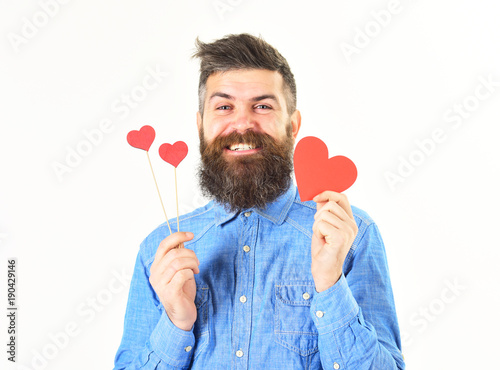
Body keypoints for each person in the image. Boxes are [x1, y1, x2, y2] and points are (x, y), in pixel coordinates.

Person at [114, 33, 405, 369]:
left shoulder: (351, 237)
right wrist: (177, 323)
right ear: (200, 125)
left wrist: (330, 286)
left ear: (292, 126)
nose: (243, 123)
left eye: (263, 106)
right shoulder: (158, 252)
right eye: (224, 106)